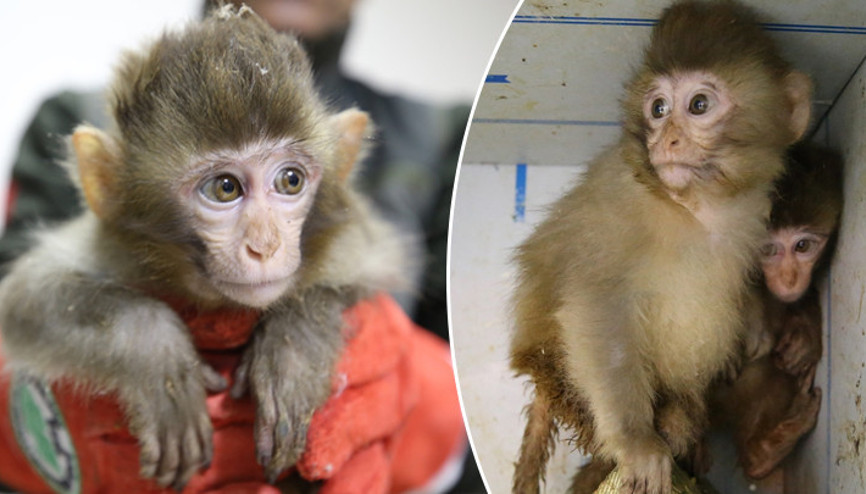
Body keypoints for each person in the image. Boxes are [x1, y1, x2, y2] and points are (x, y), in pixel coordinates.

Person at [0, 0, 480, 491]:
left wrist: (412, 404)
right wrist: (128, 343)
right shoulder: (77, 117)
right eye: (224, 188)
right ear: (103, 180)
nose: (264, 243)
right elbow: (22, 303)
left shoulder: (449, 138)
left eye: (290, 180)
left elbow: (503, 389)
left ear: (343, 156)